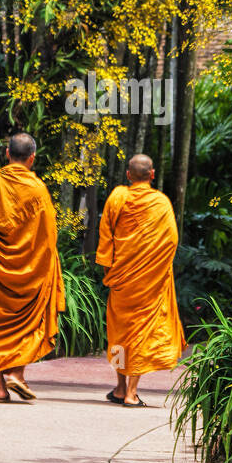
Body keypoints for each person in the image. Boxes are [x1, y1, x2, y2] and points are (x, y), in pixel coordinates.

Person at [0, 132, 66, 403]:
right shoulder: (38, 189)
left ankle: (1, 388)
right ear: (32, 158)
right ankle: (16, 375)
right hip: (30, 271)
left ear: (7, 154)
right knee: (24, 325)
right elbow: (48, 236)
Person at [95, 153, 187, 407]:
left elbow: (106, 236)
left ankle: (121, 386)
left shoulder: (117, 197)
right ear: (152, 175)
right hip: (149, 282)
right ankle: (129, 393)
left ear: (128, 175)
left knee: (120, 333)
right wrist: (157, 271)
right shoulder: (161, 203)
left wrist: (109, 271)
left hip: (121, 278)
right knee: (141, 332)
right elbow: (171, 241)